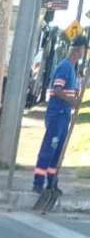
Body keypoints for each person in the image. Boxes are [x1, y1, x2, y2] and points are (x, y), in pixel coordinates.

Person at [34, 33, 86, 196]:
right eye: (83, 50)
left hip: (64, 115)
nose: (83, 54)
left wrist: (76, 93)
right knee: (50, 147)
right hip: (57, 113)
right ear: (78, 50)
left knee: (58, 150)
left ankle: (51, 180)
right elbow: (57, 90)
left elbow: (71, 91)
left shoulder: (72, 69)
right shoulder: (64, 67)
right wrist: (72, 102)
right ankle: (38, 182)